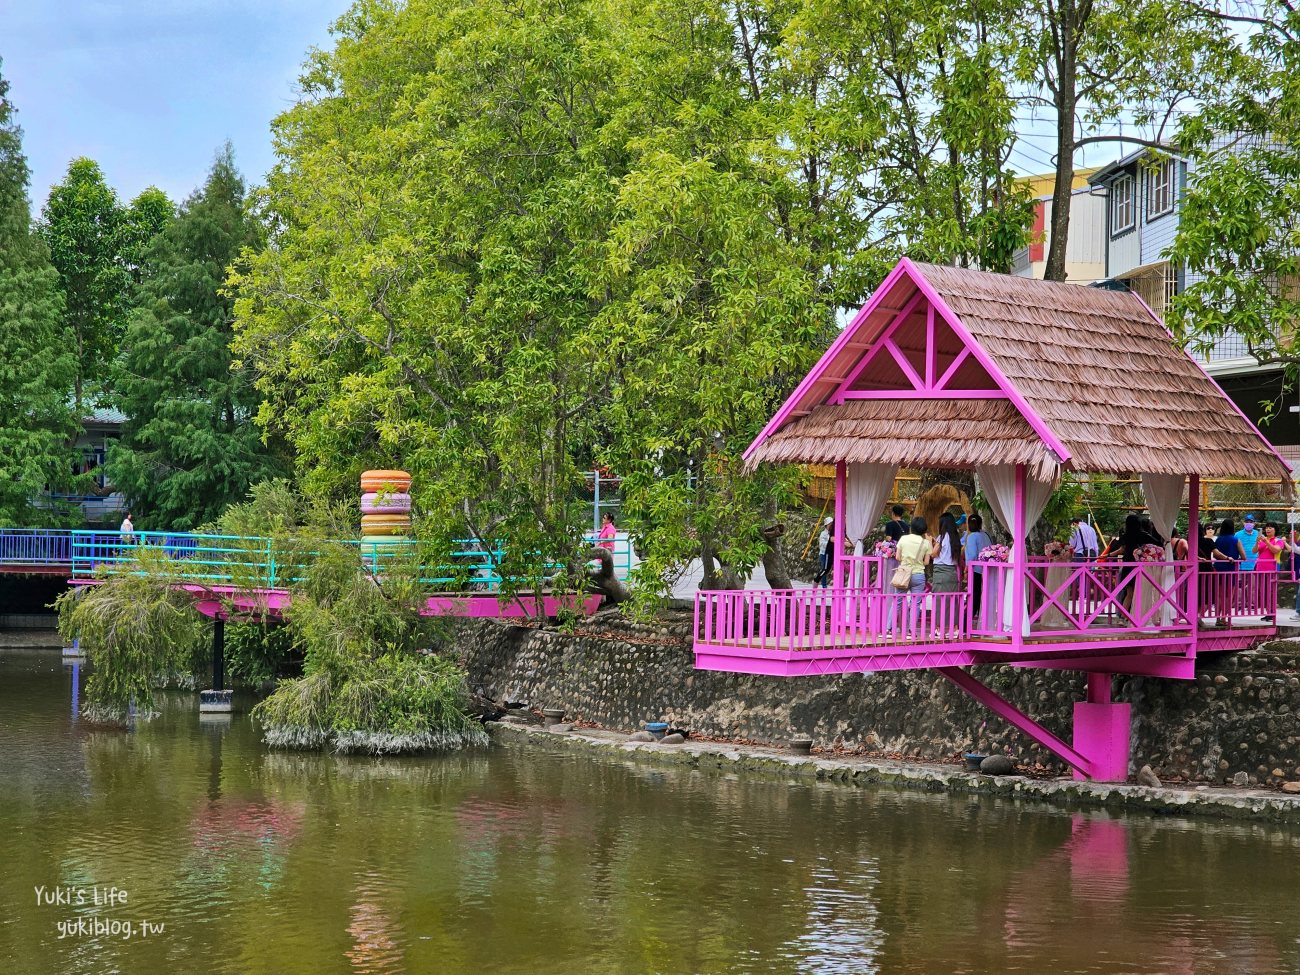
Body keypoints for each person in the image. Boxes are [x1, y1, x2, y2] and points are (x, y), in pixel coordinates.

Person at [889, 516, 931, 634]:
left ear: (911, 527)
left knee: (897, 600)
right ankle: (911, 631)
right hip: (918, 575)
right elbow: (927, 562)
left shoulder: (903, 539)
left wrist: (906, 561)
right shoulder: (926, 543)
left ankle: (888, 629)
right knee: (915, 603)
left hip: (903, 573)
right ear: (923, 529)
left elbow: (897, 557)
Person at [1213, 518, 1246, 626]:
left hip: (1218, 568)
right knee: (1229, 595)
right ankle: (1224, 618)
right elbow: (1244, 556)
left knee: (1219, 595)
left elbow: (1215, 554)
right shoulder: (1235, 540)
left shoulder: (1218, 539)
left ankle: (1218, 618)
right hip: (1231, 569)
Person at [962, 514, 991, 617]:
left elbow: (973, 555)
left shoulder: (971, 536)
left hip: (975, 569)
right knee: (981, 593)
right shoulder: (986, 535)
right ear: (980, 523)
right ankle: (982, 615)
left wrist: (966, 568)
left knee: (973, 594)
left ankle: (968, 619)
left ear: (968, 524)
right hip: (987, 569)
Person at [1254, 523, 1284, 622]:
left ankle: (1272, 613)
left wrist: (1266, 541)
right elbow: (1254, 551)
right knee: (1263, 592)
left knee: (1271, 591)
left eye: (1270, 528)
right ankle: (1268, 613)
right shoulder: (1262, 540)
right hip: (1260, 569)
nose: (1268, 529)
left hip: (1272, 569)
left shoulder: (1278, 541)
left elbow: (1276, 550)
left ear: (1275, 530)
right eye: (1266, 528)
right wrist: (1257, 542)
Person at [930, 513, 963, 594]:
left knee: (940, 599)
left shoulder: (942, 537)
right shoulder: (956, 537)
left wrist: (929, 542)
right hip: (952, 572)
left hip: (941, 572)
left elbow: (934, 554)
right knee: (951, 598)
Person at [817, 517, 833, 587]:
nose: (831, 525)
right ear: (826, 525)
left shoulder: (832, 534)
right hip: (823, 554)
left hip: (830, 554)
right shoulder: (823, 534)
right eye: (830, 524)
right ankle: (824, 586)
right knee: (824, 569)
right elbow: (821, 544)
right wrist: (829, 543)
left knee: (827, 569)